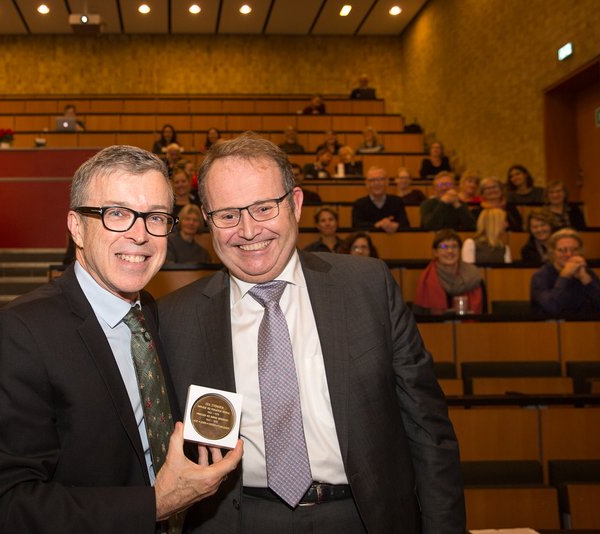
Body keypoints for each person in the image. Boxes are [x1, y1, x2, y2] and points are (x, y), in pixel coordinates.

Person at [158, 133, 464, 533]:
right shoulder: (176, 318)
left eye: (264, 208)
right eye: (228, 215)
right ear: (207, 219)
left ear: (296, 204)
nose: (248, 230)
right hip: (239, 520)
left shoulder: (368, 287)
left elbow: (428, 430)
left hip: (362, 517)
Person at [0, 144, 243, 533]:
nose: (140, 235)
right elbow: (1, 510)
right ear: (76, 226)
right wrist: (156, 504)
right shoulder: (16, 335)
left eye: (156, 217)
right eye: (117, 214)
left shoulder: (150, 313)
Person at [413, 229, 483, 315]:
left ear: (460, 250)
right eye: (444, 247)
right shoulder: (426, 280)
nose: (450, 251)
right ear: (435, 252)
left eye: (454, 246)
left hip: (470, 323)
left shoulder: (473, 275)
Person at [531, 228, 600, 315]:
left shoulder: (587, 273)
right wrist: (564, 276)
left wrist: (586, 281)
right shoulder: (541, 276)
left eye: (574, 249)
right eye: (563, 250)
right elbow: (553, 308)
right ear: (552, 252)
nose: (569, 254)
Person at [352, 166, 409, 233]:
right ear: (367, 184)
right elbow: (356, 226)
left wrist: (396, 225)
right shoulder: (359, 204)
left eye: (381, 179)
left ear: (387, 182)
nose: (377, 183)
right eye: (372, 180)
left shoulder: (397, 202)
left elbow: (406, 225)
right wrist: (377, 224)